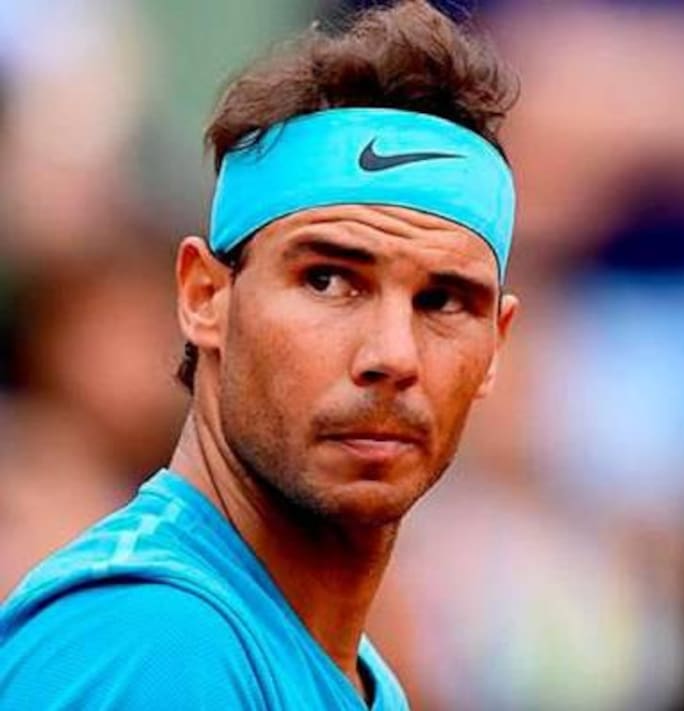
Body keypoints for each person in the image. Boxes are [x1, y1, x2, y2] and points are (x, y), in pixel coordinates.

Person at [0, 1, 519, 707]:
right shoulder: (154, 642)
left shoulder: (352, 673)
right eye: (328, 280)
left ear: (496, 346)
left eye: (444, 301)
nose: (393, 354)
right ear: (204, 297)